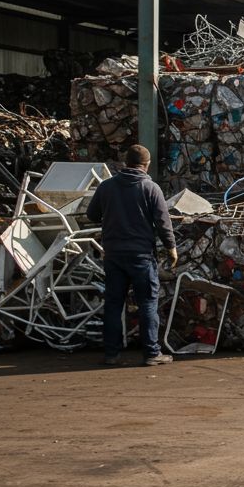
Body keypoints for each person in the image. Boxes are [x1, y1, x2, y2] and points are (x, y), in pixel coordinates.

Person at [86, 144, 177, 366]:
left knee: (114, 303)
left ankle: (111, 353)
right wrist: (171, 248)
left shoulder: (106, 187)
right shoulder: (150, 188)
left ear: (125, 163)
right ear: (147, 165)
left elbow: (92, 214)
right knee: (147, 302)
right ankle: (152, 353)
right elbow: (163, 222)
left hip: (114, 255)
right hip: (141, 256)